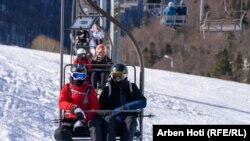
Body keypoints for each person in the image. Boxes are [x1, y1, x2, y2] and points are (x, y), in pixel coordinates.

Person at [54, 63, 102, 141]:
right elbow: (61, 102)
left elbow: (95, 107)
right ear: (72, 75)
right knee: (59, 133)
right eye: (76, 76)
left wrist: (83, 119)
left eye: (81, 76)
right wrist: (73, 108)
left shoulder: (89, 89)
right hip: (70, 120)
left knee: (95, 128)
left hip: (86, 121)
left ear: (85, 76)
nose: (79, 79)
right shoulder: (67, 88)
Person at [99, 63, 147, 141]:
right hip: (113, 119)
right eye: (115, 77)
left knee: (131, 120)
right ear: (111, 76)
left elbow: (143, 102)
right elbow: (101, 107)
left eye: (120, 77)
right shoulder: (108, 90)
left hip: (127, 118)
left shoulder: (132, 88)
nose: (117, 79)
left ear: (125, 76)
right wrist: (110, 113)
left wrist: (124, 108)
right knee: (108, 121)